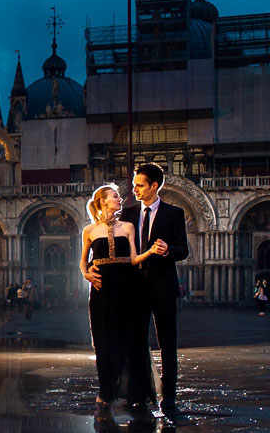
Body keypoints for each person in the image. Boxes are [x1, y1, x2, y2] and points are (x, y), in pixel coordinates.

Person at [117, 163, 190, 417]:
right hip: (134, 289)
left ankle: (168, 397)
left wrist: (168, 249)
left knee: (168, 344)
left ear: (154, 186)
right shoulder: (127, 215)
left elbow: (184, 250)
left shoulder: (174, 213)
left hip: (164, 288)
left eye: (139, 185)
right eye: (134, 185)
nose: (134, 190)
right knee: (135, 343)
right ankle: (138, 395)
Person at [80, 184, 157, 417]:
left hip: (128, 286)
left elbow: (133, 259)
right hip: (102, 290)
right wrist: (86, 274)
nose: (120, 199)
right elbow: (83, 262)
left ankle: (136, 393)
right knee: (105, 340)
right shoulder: (89, 231)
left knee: (132, 340)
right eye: (114, 196)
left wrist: (151, 251)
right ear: (102, 201)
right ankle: (107, 391)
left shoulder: (129, 227)